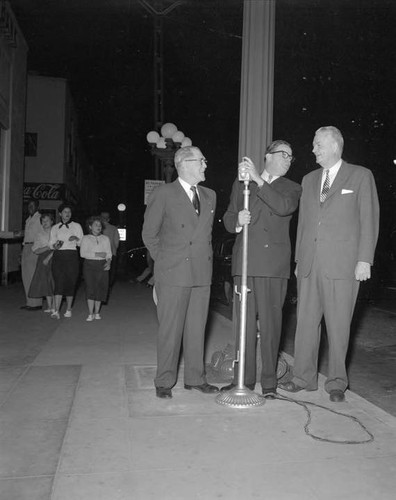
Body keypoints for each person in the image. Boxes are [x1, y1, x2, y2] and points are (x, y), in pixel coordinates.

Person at [281, 126, 380, 402]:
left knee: (339, 326)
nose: (313, 150)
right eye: (314, 145)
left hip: (344, 265)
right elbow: (304, 224)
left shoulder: (360, 176)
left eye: (318, 145)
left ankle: (337, 382)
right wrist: (300, 260)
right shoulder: (309, 179)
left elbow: (369, 220)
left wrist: (364, 259)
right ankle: (303, 377)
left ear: (335, 146)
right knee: (305, 323)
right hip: (311, 265)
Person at [221, 140, 302, 398]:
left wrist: (258, 179)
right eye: (284, 154)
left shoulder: (292, 187)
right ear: (268, 156)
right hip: (244, 263)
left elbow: (282, 207)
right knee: (242, 325)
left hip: (272, 266)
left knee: (271, 325)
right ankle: (242, 379)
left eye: (291, 156)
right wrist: (237, 221)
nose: (289, 160)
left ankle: (269, 384)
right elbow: (228, 216)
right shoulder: (240, 184)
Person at [142, 146, 218, 399]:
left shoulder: (210, 195)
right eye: (202, 161)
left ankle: (195, 378)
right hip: (173, 273)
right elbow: (149, 234)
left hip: (201, 272)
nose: (205, 165)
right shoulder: (164, 193)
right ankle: (164, 381)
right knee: (170, 330)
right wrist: (164, 263)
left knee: (197, 329)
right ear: (184, 164)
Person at [49, 203, 84, 319]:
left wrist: (76, 238)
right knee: (58, 282)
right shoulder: (55, 228)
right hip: (58, 256)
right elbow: (51, 244)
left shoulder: (77, 226)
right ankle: (56, 311)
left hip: (72, 256)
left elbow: (82, 243)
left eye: (69, 212)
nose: (67, 214)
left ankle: (69, 309)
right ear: (60, 214)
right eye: (65, 212)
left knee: (70, 282)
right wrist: (56, 245)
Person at [80, 216, 112, 321]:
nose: (98, 227)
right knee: (90, 287)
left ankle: (97, 312)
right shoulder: (85, 238)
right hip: (89, 265)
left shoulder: (105, 238)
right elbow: (83, 253)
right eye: (96, 225)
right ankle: (90, 313)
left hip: (102, 265)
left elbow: (108, 254)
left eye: (100, 225)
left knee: (101, 287)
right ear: (90, 227)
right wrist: (98, 254)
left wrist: (108, 262)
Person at [28, 212, 55, 313]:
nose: (44, 223)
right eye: (42, 221)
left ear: (52, 221)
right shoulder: (39, 234)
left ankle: (54, 306)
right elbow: (35, 250)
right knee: (45, 281)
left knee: (53, 280)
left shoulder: (55, 232)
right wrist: (47, 247)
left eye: (47, 221)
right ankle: (49, 306)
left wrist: (49, 256)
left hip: (54, 257)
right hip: (42, 258)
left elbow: (58, 247)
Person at [21, 199, 42, 310]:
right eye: (29, 206)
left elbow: (42, 235)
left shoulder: (39, 218)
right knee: (25, 275)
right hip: (26, 246)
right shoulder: (28, 219)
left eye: (32, 206)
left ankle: (36, 303)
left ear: (37, 207)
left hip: (35, 247)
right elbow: (26, 236)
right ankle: (29, 302)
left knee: (33, 275)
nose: (30, 208)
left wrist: (38, 247)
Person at [100, 211, 119, 289]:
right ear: (109, 219)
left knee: (100, 273)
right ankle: (107, 288)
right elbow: (116, 242)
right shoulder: (114, 228)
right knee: (110, 274)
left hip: (99, 254)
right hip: (111, 253)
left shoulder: (97, 227)